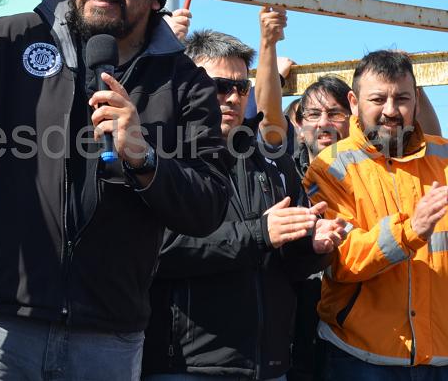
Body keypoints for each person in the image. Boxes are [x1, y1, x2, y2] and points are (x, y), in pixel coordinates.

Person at [0, 0, 231, 379]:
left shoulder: (185, 85)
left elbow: (208, 206)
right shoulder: (13, 38)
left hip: (108, 334)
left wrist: (145, 160)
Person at [142, 29, 346, 381]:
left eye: (240, 88)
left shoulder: (272, 158)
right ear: (187, 84)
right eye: (219, 86)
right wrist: (259, 234)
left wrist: (312, 247)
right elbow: (154, 252)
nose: (232, 98)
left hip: (269, 367)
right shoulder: (159, 154)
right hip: (186, 367)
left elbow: (288, 266)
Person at [304, 50, 448, 378]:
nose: (391, 110)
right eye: (378, 98)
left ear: (416, 100)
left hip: (441, 357)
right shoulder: (330, 166)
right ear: (354, 102)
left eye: (402, 98)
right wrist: (411, 230)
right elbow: (344, 261)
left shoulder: (444, 156)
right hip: (359, 358)